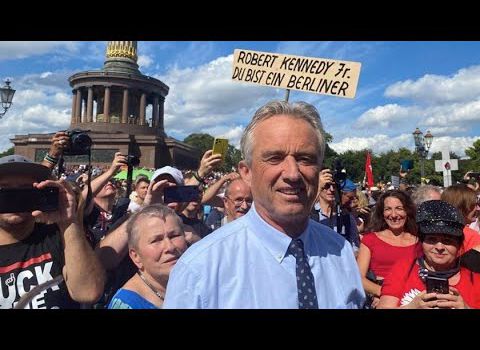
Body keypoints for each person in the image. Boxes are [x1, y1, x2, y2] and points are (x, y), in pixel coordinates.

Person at [163, 100, 365, 309]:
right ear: (246, 172)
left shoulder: (340, 250)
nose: (292, 173)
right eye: (275, 158)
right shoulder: (200, 269)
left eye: (305, 159)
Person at [0, 155, 105, 308]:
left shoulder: (60, 237)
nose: (15, 198)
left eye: (25, 190)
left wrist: (69, 223)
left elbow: (88, 292)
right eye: (4, 190)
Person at [378, 200, 480, 309]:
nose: (439, 247)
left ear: (459, 244)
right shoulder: (403, 269)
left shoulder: (474, 277)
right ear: (422, 241)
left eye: (447, 241)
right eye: (432, 240)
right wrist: (412, 307)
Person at [108, 204, 188, 309]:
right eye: (156, 240)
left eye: (174, 236)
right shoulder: (126, 304)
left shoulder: (197, 284)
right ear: (136, 256)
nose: (170, 247)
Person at [356, 190, 420, 308]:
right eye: (388, 209)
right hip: (380, 297)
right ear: (382, 213)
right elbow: (358, 278)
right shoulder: (370, 240)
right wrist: (385, 293)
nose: (394, 215)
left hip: (413, 298)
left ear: (408, 211)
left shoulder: (420, 241)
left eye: (399, 208)